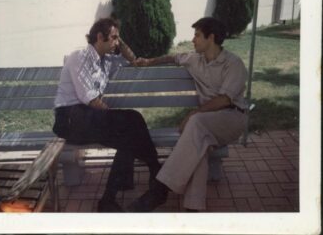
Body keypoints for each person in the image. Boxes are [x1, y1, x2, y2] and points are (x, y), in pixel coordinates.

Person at [128, 17, 248, 212]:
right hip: (205, 125)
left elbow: (225, 100)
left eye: (197, 35)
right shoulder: (195, 59)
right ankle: (193, 208)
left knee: (196, 124)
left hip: (232, 119)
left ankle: (160, 189)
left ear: (211, 37)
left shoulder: (233, 64)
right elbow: (172, 58)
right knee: (198, 142)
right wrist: (148, 61)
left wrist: (194, 113)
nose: (193, 40)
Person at [52, 18, 161, 212]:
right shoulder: (80, 56)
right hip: (70, 119)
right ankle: (156, 171)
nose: (117, 42)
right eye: (113, 38)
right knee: (130, 122)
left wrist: (120, 38)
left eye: (118, 39)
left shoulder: (107, 60)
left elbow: (133, 59)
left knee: (129, 130)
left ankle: (108, 200)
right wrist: (114, 119)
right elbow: (91, 100)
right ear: (100, 37)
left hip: (87, 117)